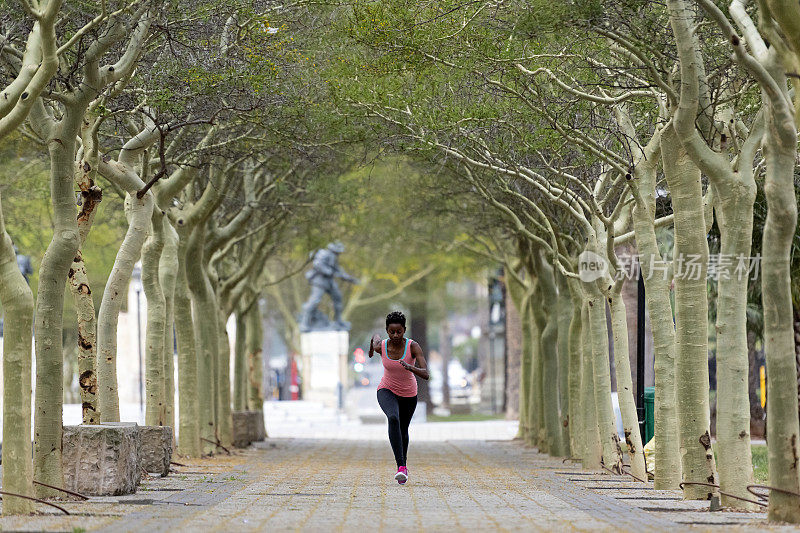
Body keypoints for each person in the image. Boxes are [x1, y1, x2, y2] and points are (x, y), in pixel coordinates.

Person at [368, 311, 429, 485]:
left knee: (403, 430)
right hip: (386, 389)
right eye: (392, 331)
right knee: (393, 418)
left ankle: (404, 466)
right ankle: (401, 467)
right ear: (387, 330)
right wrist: (371, 349)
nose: (395, 335)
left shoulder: (413, 346)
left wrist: (411, 368)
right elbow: (375, 337)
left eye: (399, 331)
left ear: (404, 330)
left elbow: (426, 374)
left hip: (409, 393)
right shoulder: (383, 346)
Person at [299, 242, 359, 331]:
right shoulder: (324, 253)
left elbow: (339, 271)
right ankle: (304, 323)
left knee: (338, 298)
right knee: (314, 301)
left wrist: (349, 278)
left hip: (329, 282)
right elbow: (318, 264)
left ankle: (338, 321)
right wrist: (329, 271)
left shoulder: (334, 258)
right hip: (319, 281)